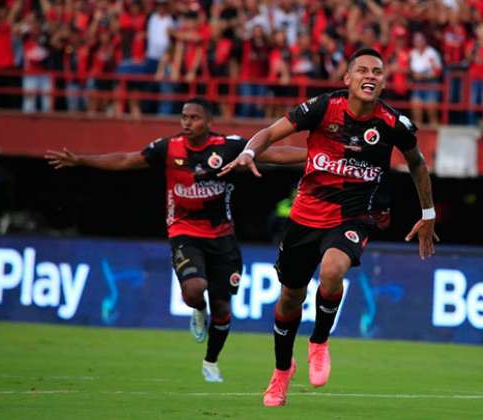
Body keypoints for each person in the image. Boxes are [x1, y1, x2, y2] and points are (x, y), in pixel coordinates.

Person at [219, 48, 438, 407]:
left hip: (352, 217)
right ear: (347, 79)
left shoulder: (393, 123)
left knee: (334, 270)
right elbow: (270, 133)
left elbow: (417, 163)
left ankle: (319, 341)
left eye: (378, 72)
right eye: (363, 70)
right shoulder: (322, 107)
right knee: (290, 297)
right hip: (305, 217)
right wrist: (247, 152)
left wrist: (428, 214)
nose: (371, 76)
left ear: (383, 82)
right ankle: (280, 373)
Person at [44, 97, 306, 383]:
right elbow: (127, 159)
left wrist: (317, 156)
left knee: (223, 309)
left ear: (208, 122)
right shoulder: (168, 148)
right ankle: (197, 310)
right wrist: (82, 160)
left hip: (222, 238)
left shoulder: (228, 146)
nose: (187, 123)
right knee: (195, 290)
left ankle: (211, 361)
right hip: (185, 232)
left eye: (194, 118)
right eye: (184, 117)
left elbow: (274, 154)